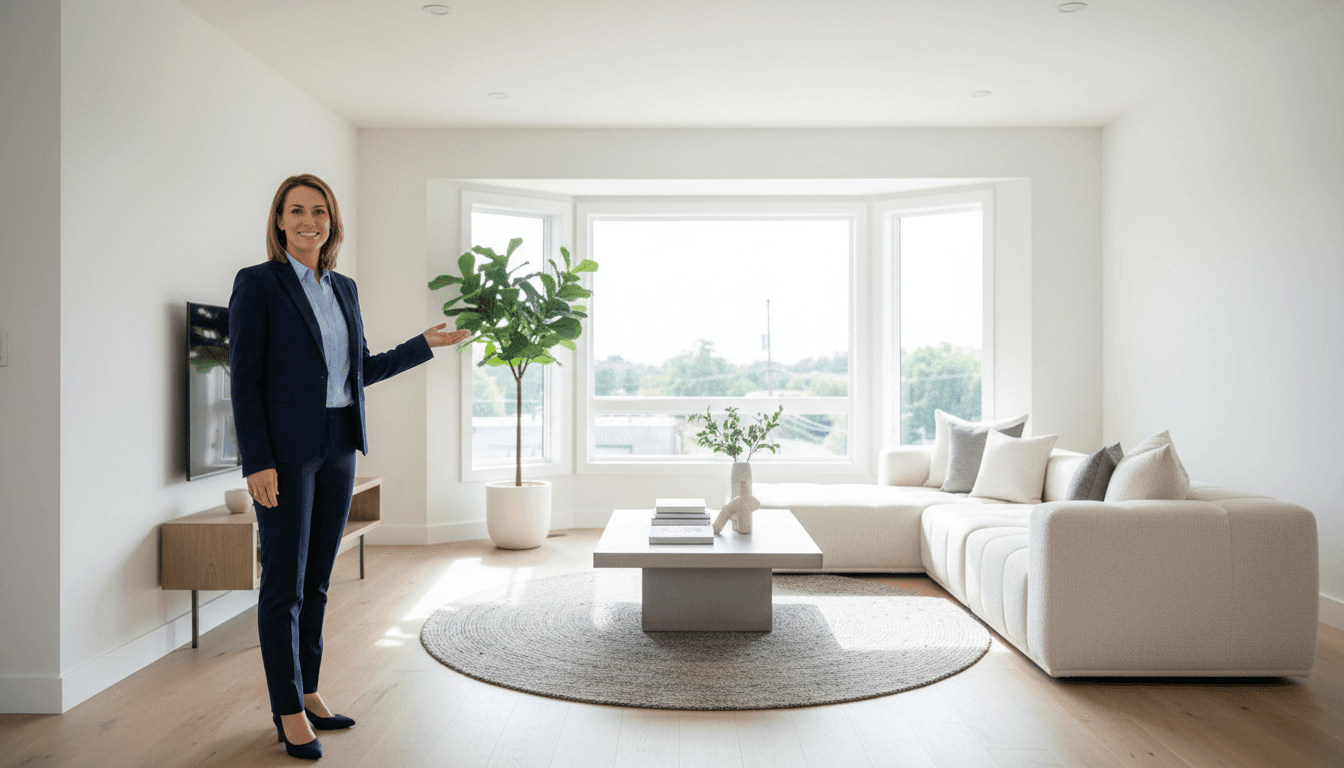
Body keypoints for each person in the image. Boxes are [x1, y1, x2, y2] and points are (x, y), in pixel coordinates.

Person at [229, 174, 467, 759]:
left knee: (317, 579)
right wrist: (256, 461)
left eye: (319, 211)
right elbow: (244, 382)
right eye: (297, 211)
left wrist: (422, 344)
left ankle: (307, 691)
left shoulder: (344, 288)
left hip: (339, 444)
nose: (309, 220)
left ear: (332, 222)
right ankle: (285, 710)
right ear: (280, 221)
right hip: (284, 453)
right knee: (283, 583)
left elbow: (360, 370)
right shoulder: (258, 284)